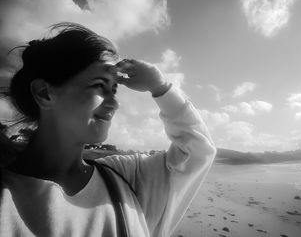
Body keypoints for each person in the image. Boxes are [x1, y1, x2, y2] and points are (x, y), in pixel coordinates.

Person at [0, 23, 216, 237]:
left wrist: (160, 87)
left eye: (114, 90)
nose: (114, 104)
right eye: (99, 85)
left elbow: (196, 152)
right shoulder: (5, 200)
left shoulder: (126, 177)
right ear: (45, 93)